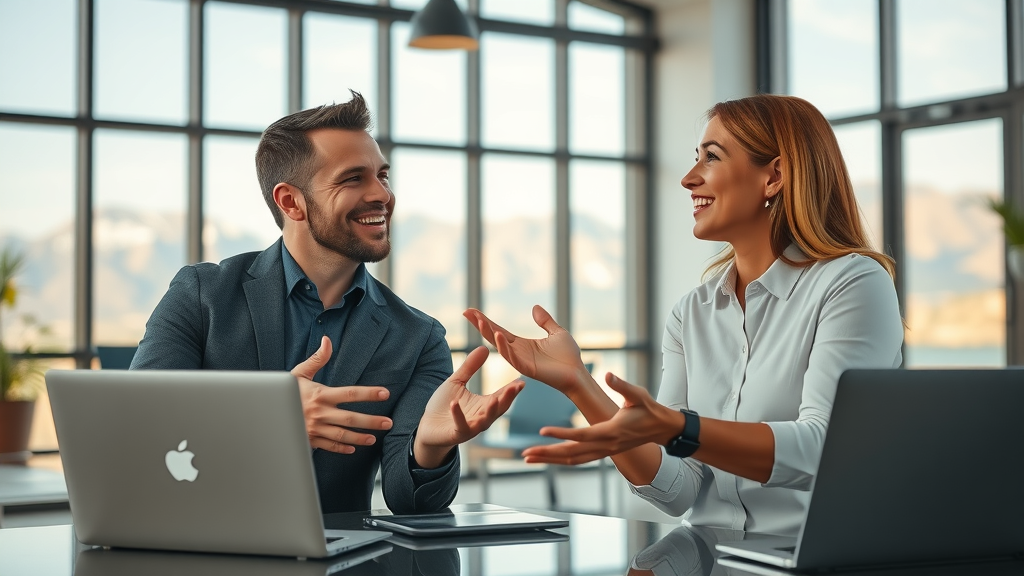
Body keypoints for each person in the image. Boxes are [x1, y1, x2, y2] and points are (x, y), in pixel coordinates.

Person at [464, 94, 904, 537]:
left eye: (711, 157)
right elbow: (677, 490)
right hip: (709, 555)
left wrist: (680, 428)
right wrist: (578, 383)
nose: (689, 178)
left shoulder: (852, 283)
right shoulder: (691, 313)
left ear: (774, 176)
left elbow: (825, 449)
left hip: (815, 558)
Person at [132, 91, 523, 515]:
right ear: (291, 202)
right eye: (353, 179)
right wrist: (270, 419)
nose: (382, 194)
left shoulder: (418, 337)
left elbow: (409, 500)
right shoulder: (201, 294)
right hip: (193, 537)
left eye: (382, 176)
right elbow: (136, 427)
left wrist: (428, 448)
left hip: (334, 550)